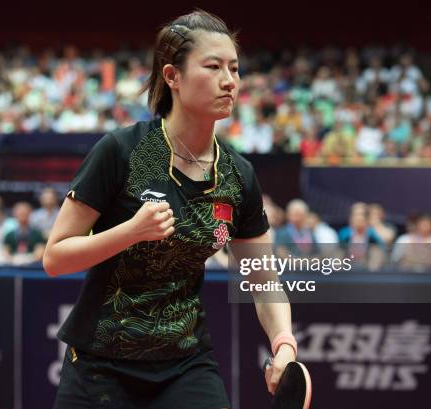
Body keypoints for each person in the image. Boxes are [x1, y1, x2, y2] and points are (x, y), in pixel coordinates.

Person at [44, 10, 296, 409]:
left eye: (234, 68)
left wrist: (284, 344)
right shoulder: (122, 152)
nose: (229, 80)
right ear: (172, 76)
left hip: (185, 364)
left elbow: (262, 279)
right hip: (100, 367)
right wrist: (129, 231)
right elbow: (55, 258)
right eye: (212, 67)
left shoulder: (238, 176)